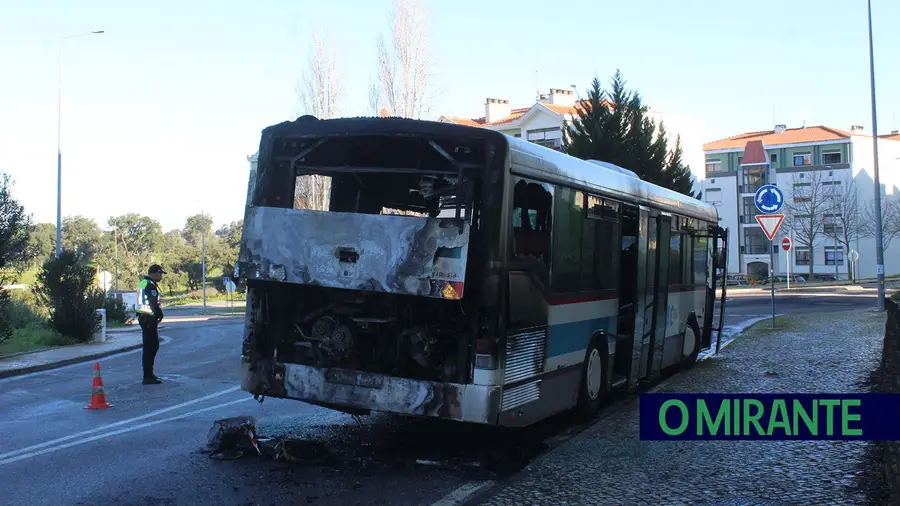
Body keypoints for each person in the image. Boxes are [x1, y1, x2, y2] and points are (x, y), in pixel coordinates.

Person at [136, 264, 165, 384]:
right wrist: (160, 314)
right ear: (154, 273)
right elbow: (153, 303)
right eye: (160, 273)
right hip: (148, 318)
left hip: (143, 317)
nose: (161, 276)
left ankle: (148, 374)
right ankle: (148, 375)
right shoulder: (150, 285)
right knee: (151, 346)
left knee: (149, 346)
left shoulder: (143, 283)